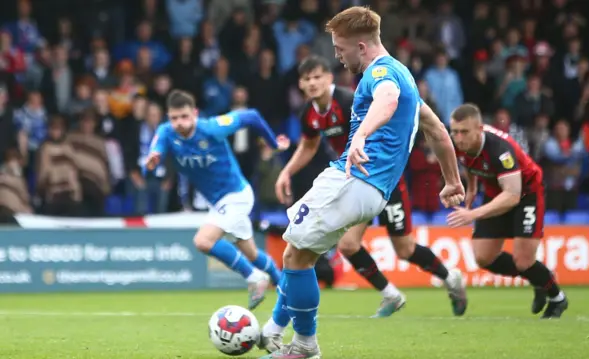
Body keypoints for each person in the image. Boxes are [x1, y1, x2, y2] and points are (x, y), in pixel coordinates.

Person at [258, 7, 465, 359]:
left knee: (294, 255)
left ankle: (302, 344)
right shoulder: (406, 76)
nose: (338, 57)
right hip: (374, 190)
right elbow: (438, 132)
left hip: (353, 178)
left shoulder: (380, 73)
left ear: (363, 47)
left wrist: (360, 135)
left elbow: (387, 100)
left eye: (341, 49)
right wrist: (452, 181)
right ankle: (280, 334)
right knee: (300, 253)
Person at [273, 54, 467, 320]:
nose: (313, 83)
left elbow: (387, 116)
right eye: (307, 79)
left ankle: (450, 278)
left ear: (330, 78)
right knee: (348, 245)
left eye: (318, 76)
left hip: (384, 178)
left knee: (404, 249)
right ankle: (390, 294)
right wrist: (287, 171)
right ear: (300, 85)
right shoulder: (309, 113)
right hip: (353, 180)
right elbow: (308, 146)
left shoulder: (347, 100)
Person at [145, 90, 287, 310]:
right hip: (220, 204)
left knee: (203, 241)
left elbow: (252, 116)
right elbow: (155, 154)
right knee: (251, 253)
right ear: (168, 117)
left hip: (236, 196)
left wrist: (273, 144)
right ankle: (285, 287)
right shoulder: (165, 132)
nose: (179, 123)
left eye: (184, 116)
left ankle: (253, 277)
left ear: (195, 113)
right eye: (174, 118)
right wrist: (152, 161)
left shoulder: (212, 127)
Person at [446, 103, 569, 319]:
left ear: (480, 129)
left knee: (524, 261)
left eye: (464, 132)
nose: (459, 137)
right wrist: (473, 186)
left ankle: (557, 298)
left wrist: (472, 214)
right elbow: (468, 159)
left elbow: (512, 195)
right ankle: (537, 278)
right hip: (496, 191)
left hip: (526, 193)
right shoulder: (457, 143)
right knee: (483, 257)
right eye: (455, 131)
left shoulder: (500, 149)